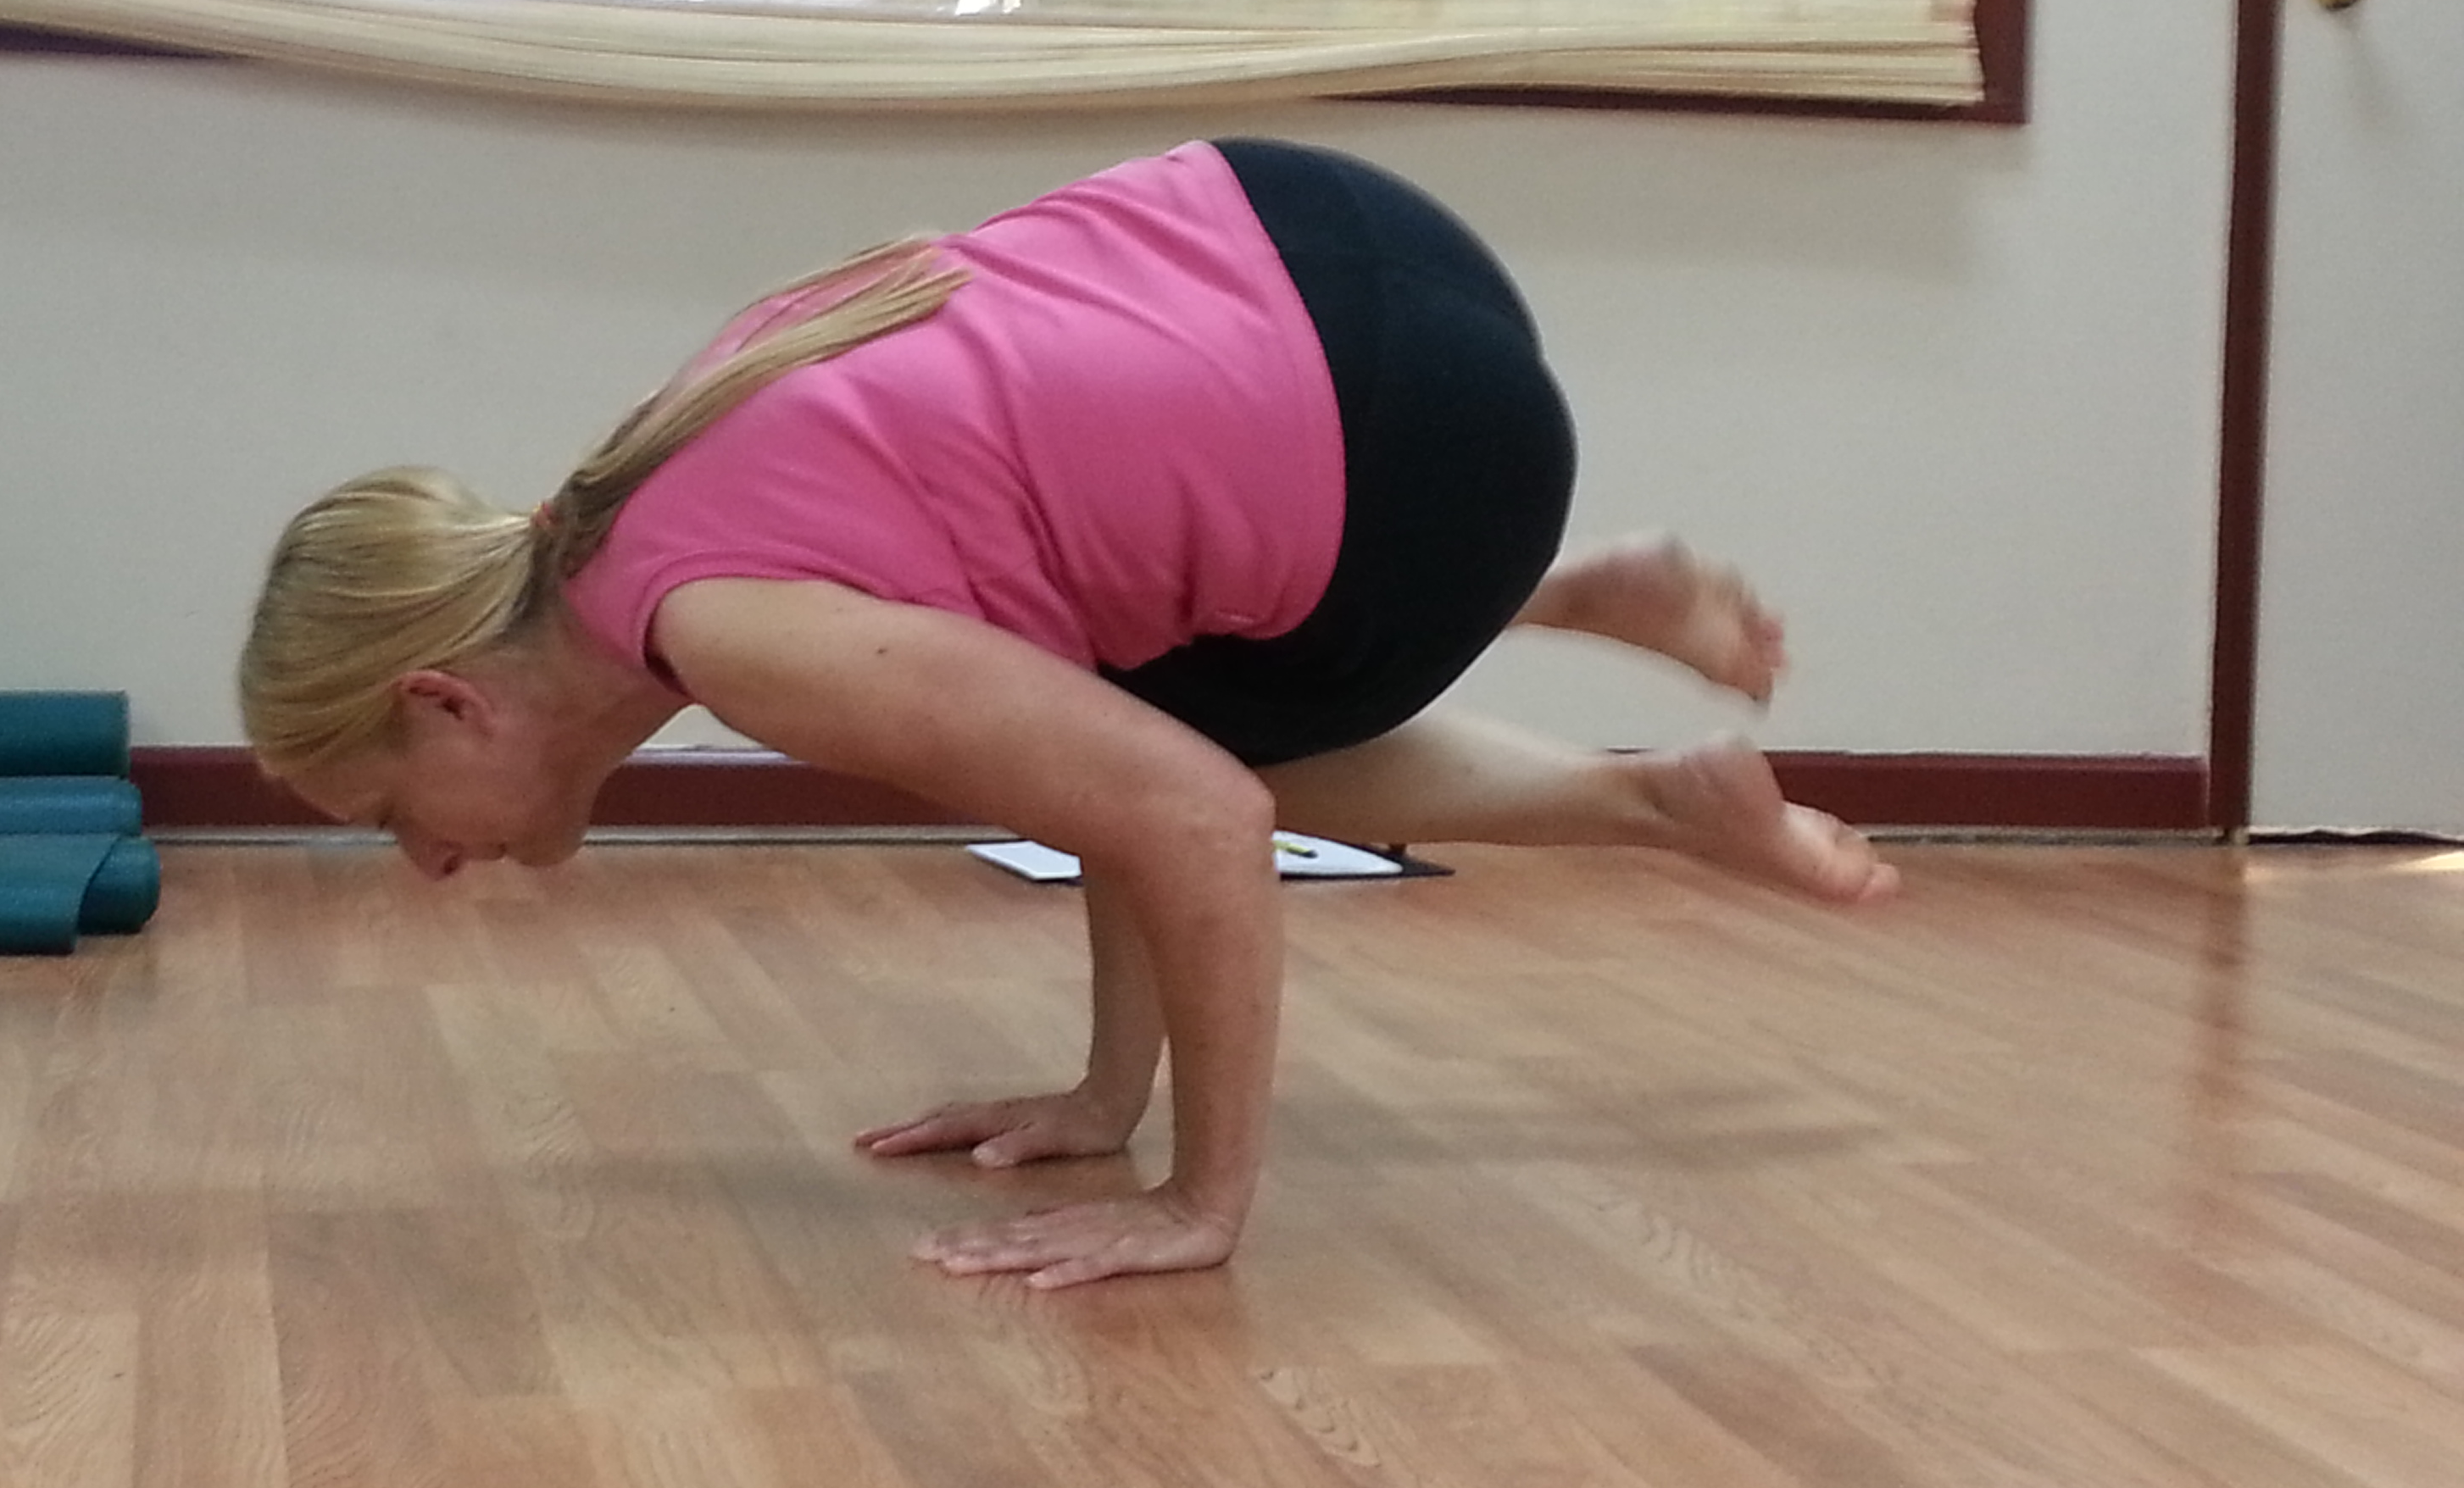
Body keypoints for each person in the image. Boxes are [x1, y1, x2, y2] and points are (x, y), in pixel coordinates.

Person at [240, 138, 1898, 1290]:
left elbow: (1190, 814)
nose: (426, 864)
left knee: (1198, 761)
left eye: (392, 813)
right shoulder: (644, 471)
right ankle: (1604, 672)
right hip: (1330, 232)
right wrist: (1104, 1097)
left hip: (1423, 435)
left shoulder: (727, 631)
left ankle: (1587, 676)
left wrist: (1196, 1198)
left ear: (444, 699)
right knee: (1123, 707)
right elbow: (1095, 708)